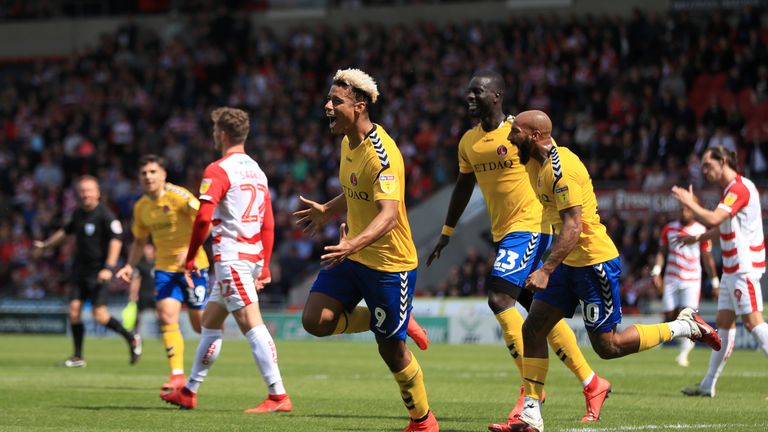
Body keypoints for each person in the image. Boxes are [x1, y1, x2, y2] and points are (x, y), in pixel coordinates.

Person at [503, 110, 721, 432]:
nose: (510, 140)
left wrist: (547, 268)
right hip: (569, 262)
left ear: (535, 137)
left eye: (516, 134)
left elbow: (574, 225)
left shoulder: (560, 169)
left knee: (608, 347)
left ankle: (683, 326)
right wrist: (506, 122)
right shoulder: (535, 158)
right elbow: (518, 133)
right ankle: (531, 414)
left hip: (594, 263)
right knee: (533, 328)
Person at [426, 71, 609, 428]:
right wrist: (447, 231)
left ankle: (530, 394)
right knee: (538, 313)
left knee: (498, 297)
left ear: (496, 96)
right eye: (467, 92)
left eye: (476, 92)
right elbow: (464, 185)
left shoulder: (521, 132)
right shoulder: (468, 142)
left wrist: (564, 216)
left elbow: (555, 165)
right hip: (505, 232)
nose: (469, 98)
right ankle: (592, 382)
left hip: (530, 226)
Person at [294, 69, 438, 431]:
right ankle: (398, 321)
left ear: (360, 107)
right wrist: (328, 209)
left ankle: (423, 421)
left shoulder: (383, 155)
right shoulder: (347, 143)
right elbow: (357, 190)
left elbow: (388, 215)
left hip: (390, 263)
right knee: (315, 320)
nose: (327, 107)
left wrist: (352, 243)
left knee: (391, 350)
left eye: (335, 102)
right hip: (354, 253)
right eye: (329, 100)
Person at [160, 107, 291, 413]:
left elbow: (203, 218)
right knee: (210, 322)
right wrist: (266, 264)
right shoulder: (258, 171)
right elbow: (268, 223)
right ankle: (189, 391)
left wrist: (191, 256)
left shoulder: (218, 169)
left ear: (221, 134)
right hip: (250, 255)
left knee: (252, 324)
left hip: (231, 257)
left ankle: (278, 395)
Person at [671, 145, 768, 397]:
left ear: (723, 161)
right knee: (723, 326)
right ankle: (707, 386)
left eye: (708, 164)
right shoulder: (731, 190)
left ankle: (707, 385)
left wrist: (690, 204)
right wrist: (699, 238)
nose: (704, 170)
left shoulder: (738, 188)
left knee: (753, 322)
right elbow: (723, 226)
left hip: (743, 268)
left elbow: (714, 218)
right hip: (733, 268)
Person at [116, 155, 210, 392]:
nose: (148, 177)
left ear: (163, 174)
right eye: (144, 173)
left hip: (194, 266)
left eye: (152, 172)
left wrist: (190, 252)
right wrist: (129, 265)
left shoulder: (180, 197)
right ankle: (177, 375)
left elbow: (204, 221)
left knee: (200, 325)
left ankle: (215, 325)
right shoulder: (141, 207)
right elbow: (139, 241)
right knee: (166, 317)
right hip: (164, 269)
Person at [33, 175, 141, 367]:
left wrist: (108, 267)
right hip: (80, 271)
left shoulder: (105, 215)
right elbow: (65, 232)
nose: (85, 195)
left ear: (98, 193)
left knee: (99, 316)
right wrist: (46, 245)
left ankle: (131, 337)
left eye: (89, 190)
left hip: (99, 272)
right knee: (74, 311)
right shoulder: (78, 214)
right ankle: (77, 356)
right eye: (82, 191)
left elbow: (116, 241)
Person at [651, 204, 719, 367]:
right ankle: (674, 344)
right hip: (672, 278)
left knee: (688, 316)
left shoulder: (701, 230)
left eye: (687, 210)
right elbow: (662, 251)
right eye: (681, 209)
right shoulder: (669, 228)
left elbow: (707, 257)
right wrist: (656, 271)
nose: (684, 212)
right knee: (668, 315)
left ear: (693, 212)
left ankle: (683, 354)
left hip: (691, 279)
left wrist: (715, 281)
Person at [123, 243, 157, 335]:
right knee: (137, 316)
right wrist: (133, 293)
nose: (147, 252)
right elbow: (136, 280)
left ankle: (163, 333)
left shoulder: (158, 264)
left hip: (155, 295)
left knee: (162, 315)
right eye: (146, 249)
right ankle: (135, 335)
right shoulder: (140, 265)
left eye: (149, 249)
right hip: (142, 295)